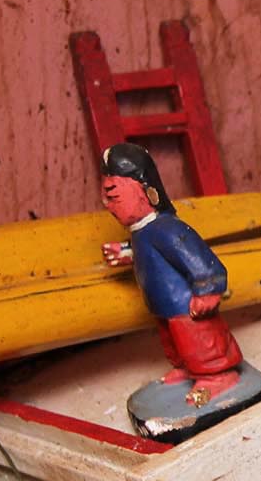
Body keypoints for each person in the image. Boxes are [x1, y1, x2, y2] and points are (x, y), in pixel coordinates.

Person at [98, 142, 241, 404]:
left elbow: (199, 258)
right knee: (173, 342)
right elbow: (149, 254)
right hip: (163, 305)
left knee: (198, 341)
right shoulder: (142, 232)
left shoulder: (167, 229)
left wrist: (208, 289)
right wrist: (127, 252)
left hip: (185, 307)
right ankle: (185, 367)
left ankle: (217, 375)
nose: (108, 205)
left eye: (113, 196)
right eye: (106, 198)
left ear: (145, 192)